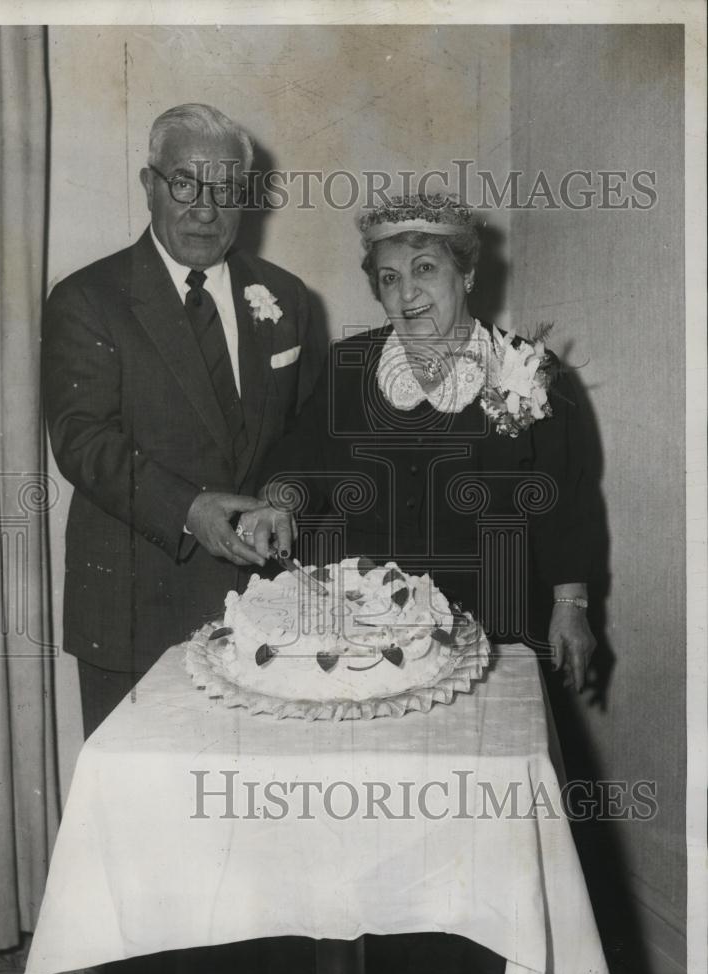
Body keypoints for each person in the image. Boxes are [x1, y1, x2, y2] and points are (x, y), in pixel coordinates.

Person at [244, 190, 597, 693]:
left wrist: (571, 606)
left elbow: (565, 499)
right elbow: (302, 455)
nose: (408, 294)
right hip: (364, 633)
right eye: (391, 278)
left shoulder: (528, 370)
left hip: (492, 632)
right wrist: (278, 501)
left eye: (425, 269)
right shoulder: (352, 366)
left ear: (467, 274)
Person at [44, 104, 317, 737]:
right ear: (149, 186)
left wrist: (281, 499)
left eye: (225, 189)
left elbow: (302, 437)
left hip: (261, 617)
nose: (204, 208)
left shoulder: (288, 297)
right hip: (135, 618)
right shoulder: (87, 299)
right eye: (184, 183)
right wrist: (190, 509)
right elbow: (83, 443)